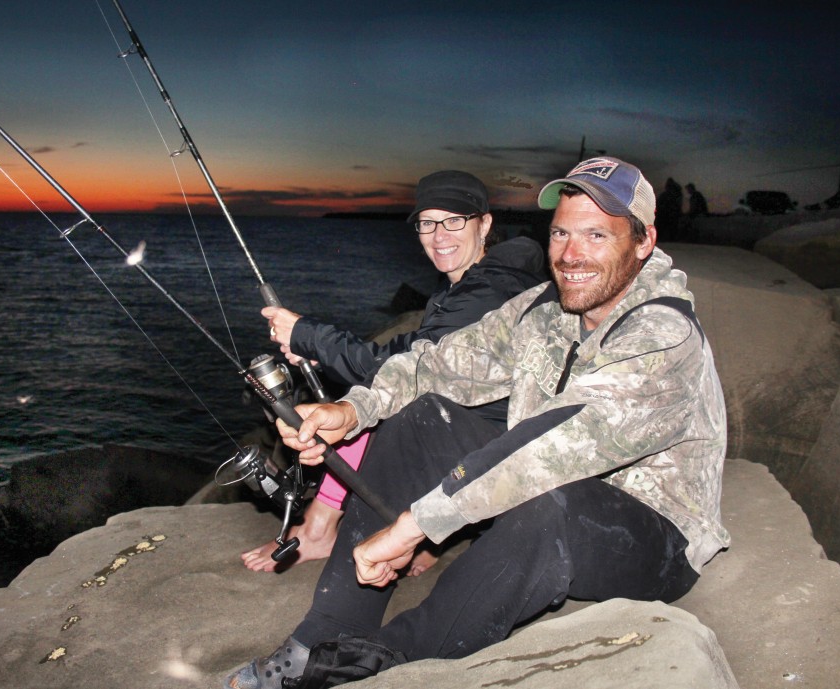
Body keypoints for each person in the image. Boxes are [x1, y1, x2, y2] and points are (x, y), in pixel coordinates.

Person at [226, 156, 730, 689]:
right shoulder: (545, 308)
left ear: (643, 240)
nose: (571, 254)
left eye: (596, 235)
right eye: (561, 232)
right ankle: (321, 638)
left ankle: (380, 660)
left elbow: (557, 446)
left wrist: (411, 527)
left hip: (653, 534)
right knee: (424, 414)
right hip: (546, 491)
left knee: (546, 501)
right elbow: (440, 364)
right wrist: (352, 411)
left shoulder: (663, 333)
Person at [241, 170, 546, 572]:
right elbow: (422, 357)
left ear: (485, 223)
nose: (440, 235)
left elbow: (404, 368)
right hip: (481, 426)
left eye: (455, 220)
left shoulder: (488, 290)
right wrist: (316, 351)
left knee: (378, 405)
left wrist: (308, 335)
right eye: (427, 223)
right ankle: (414, 531)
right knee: (374, 397)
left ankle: (321, 530)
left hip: (502, 447)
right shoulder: (477, 280)